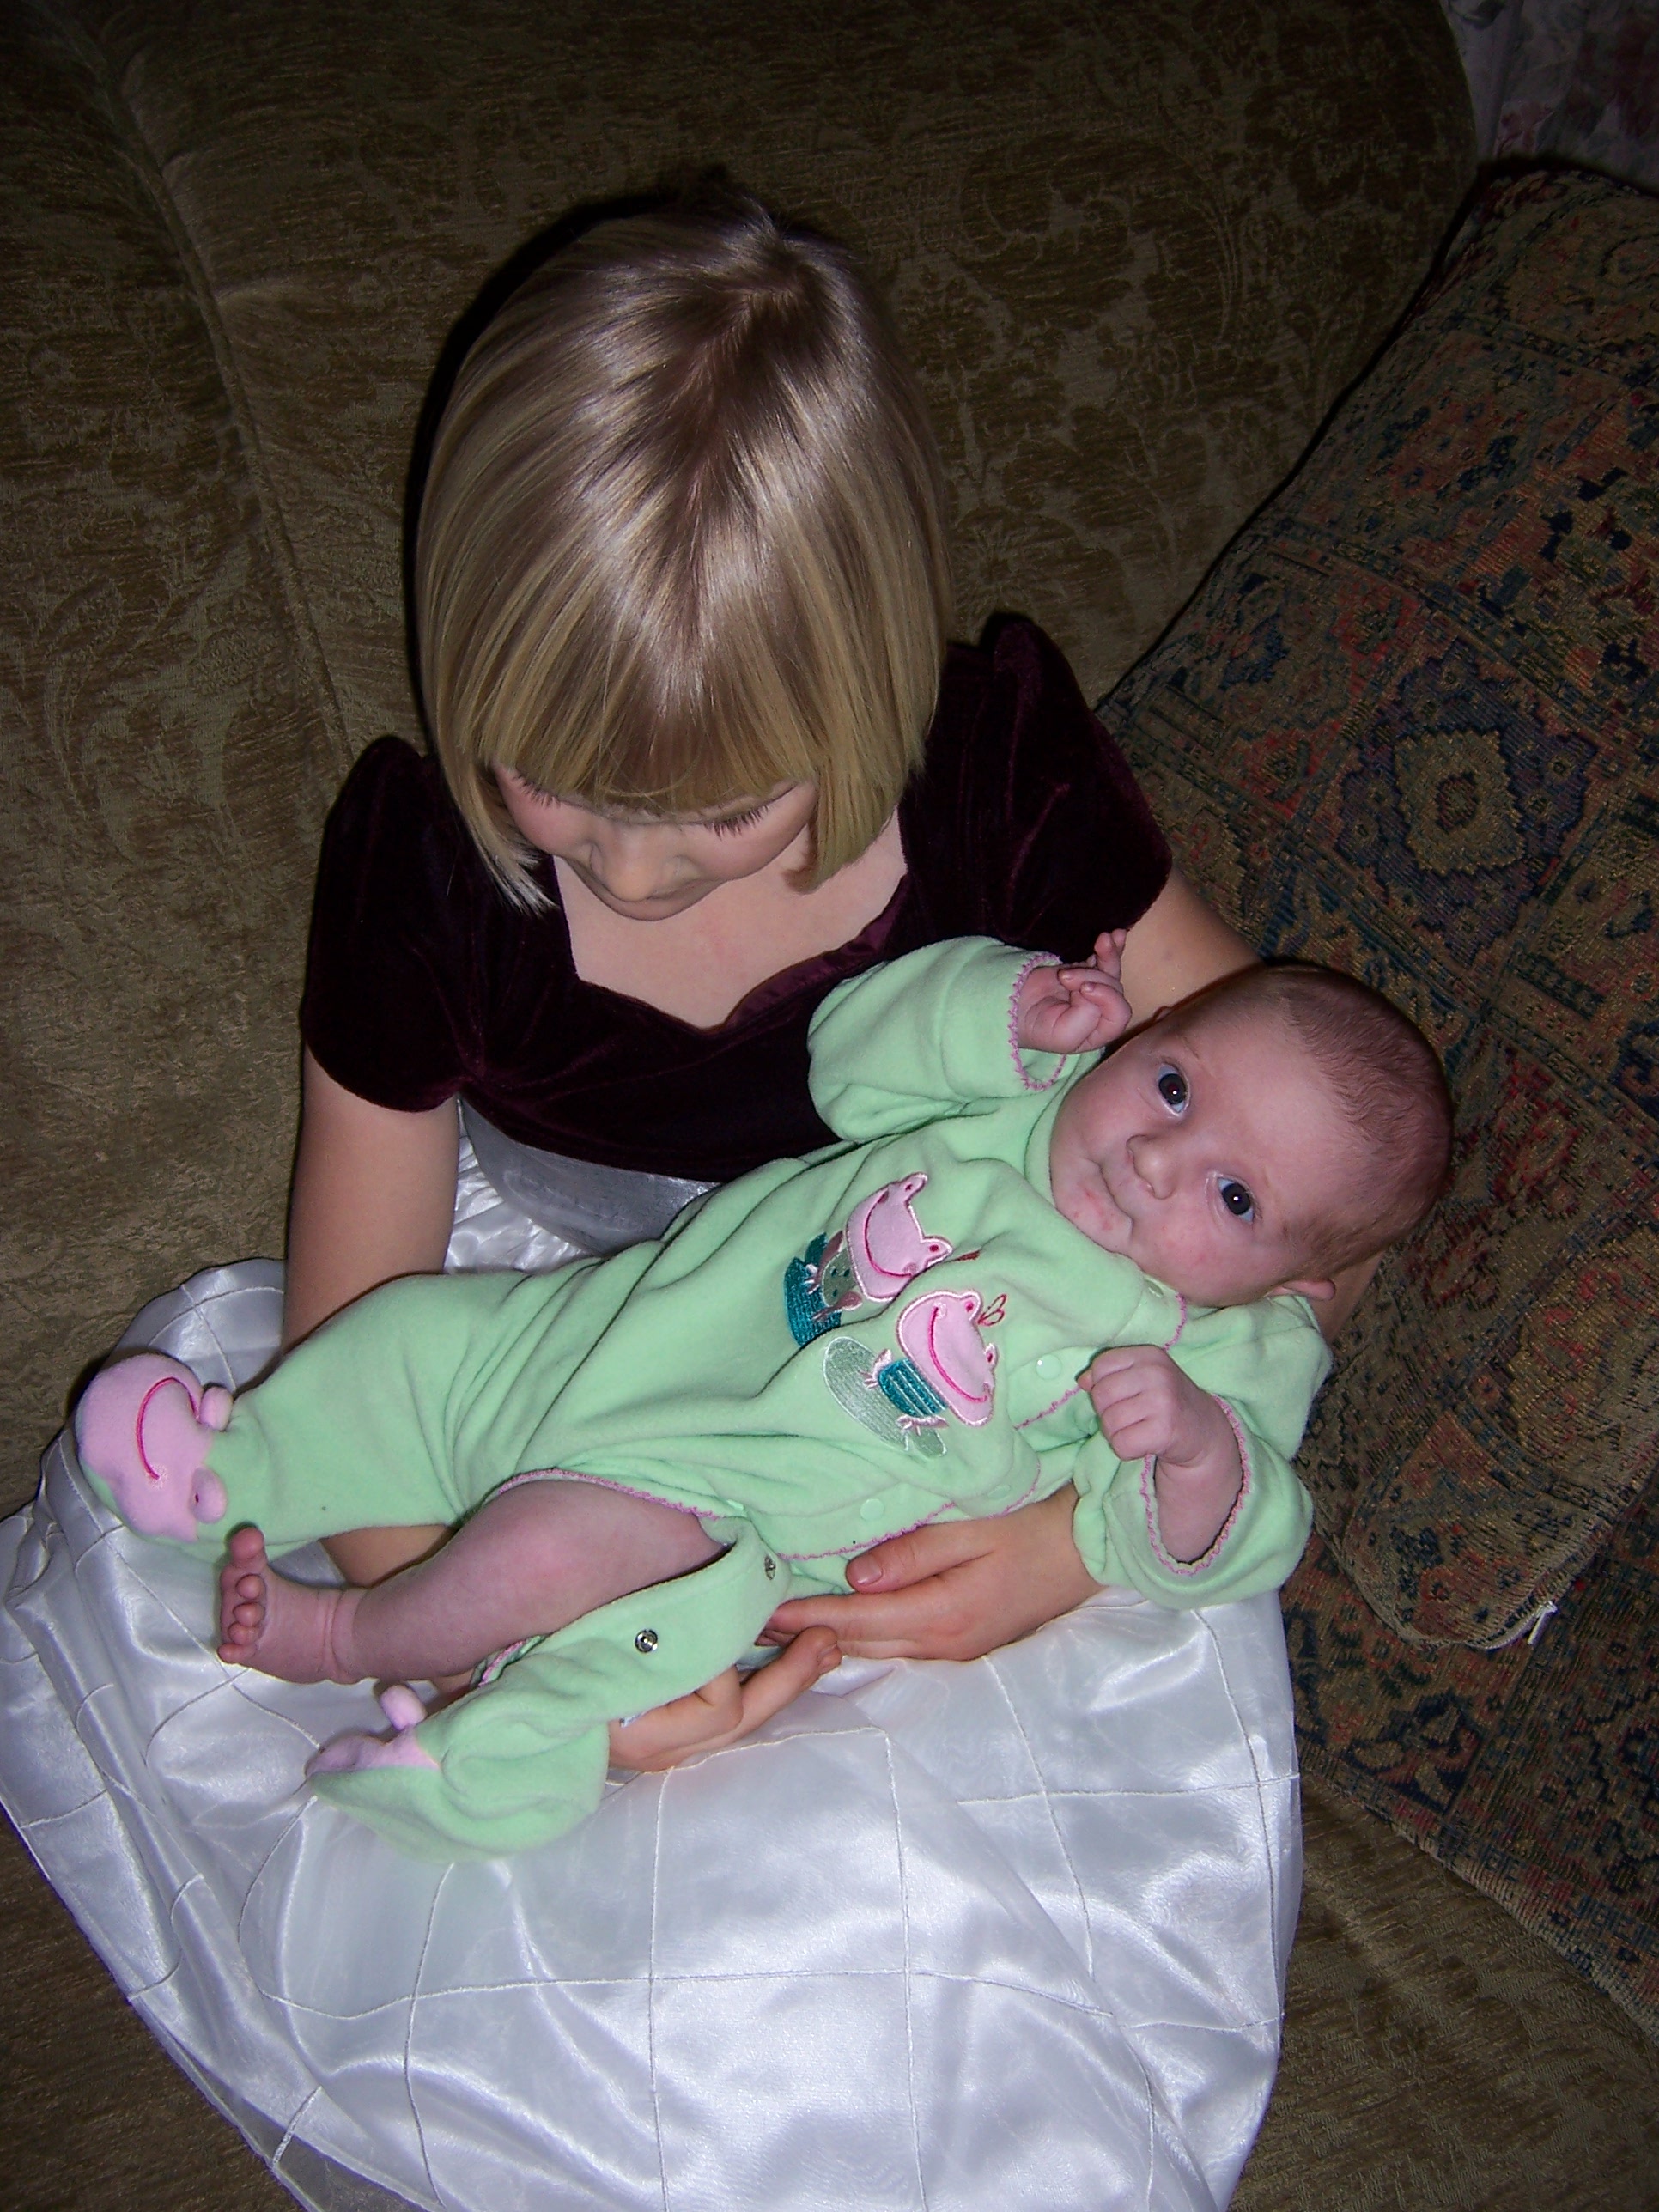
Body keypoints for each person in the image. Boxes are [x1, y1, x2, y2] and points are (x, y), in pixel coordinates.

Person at [280, 179, 1336, 1771]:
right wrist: (519, 1661)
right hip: (566, 1381)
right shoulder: (422, 881)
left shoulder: (997, 783)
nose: (632, 872)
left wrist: (1068, 1543)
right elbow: (352, 1361)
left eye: (722, 810)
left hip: (978, 1437)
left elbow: (1318, 1208)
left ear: (871, 682)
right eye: (548, 781)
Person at [75, 933, 1452, 1856]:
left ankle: (369, 1662)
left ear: (1287, 1283)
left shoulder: (1209, 1349)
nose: (1156, 1158)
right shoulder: (1019, 1098)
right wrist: (1007, 1012)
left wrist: (1197, 1456)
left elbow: (1229, 1537)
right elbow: (849, 1058)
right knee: (415, 1343)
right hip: (619, 1327)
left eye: (1233, 1196)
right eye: (1173, 1085)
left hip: (714, 1507)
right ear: (1143, 1028)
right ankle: (234, 1467)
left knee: (546, 1562)